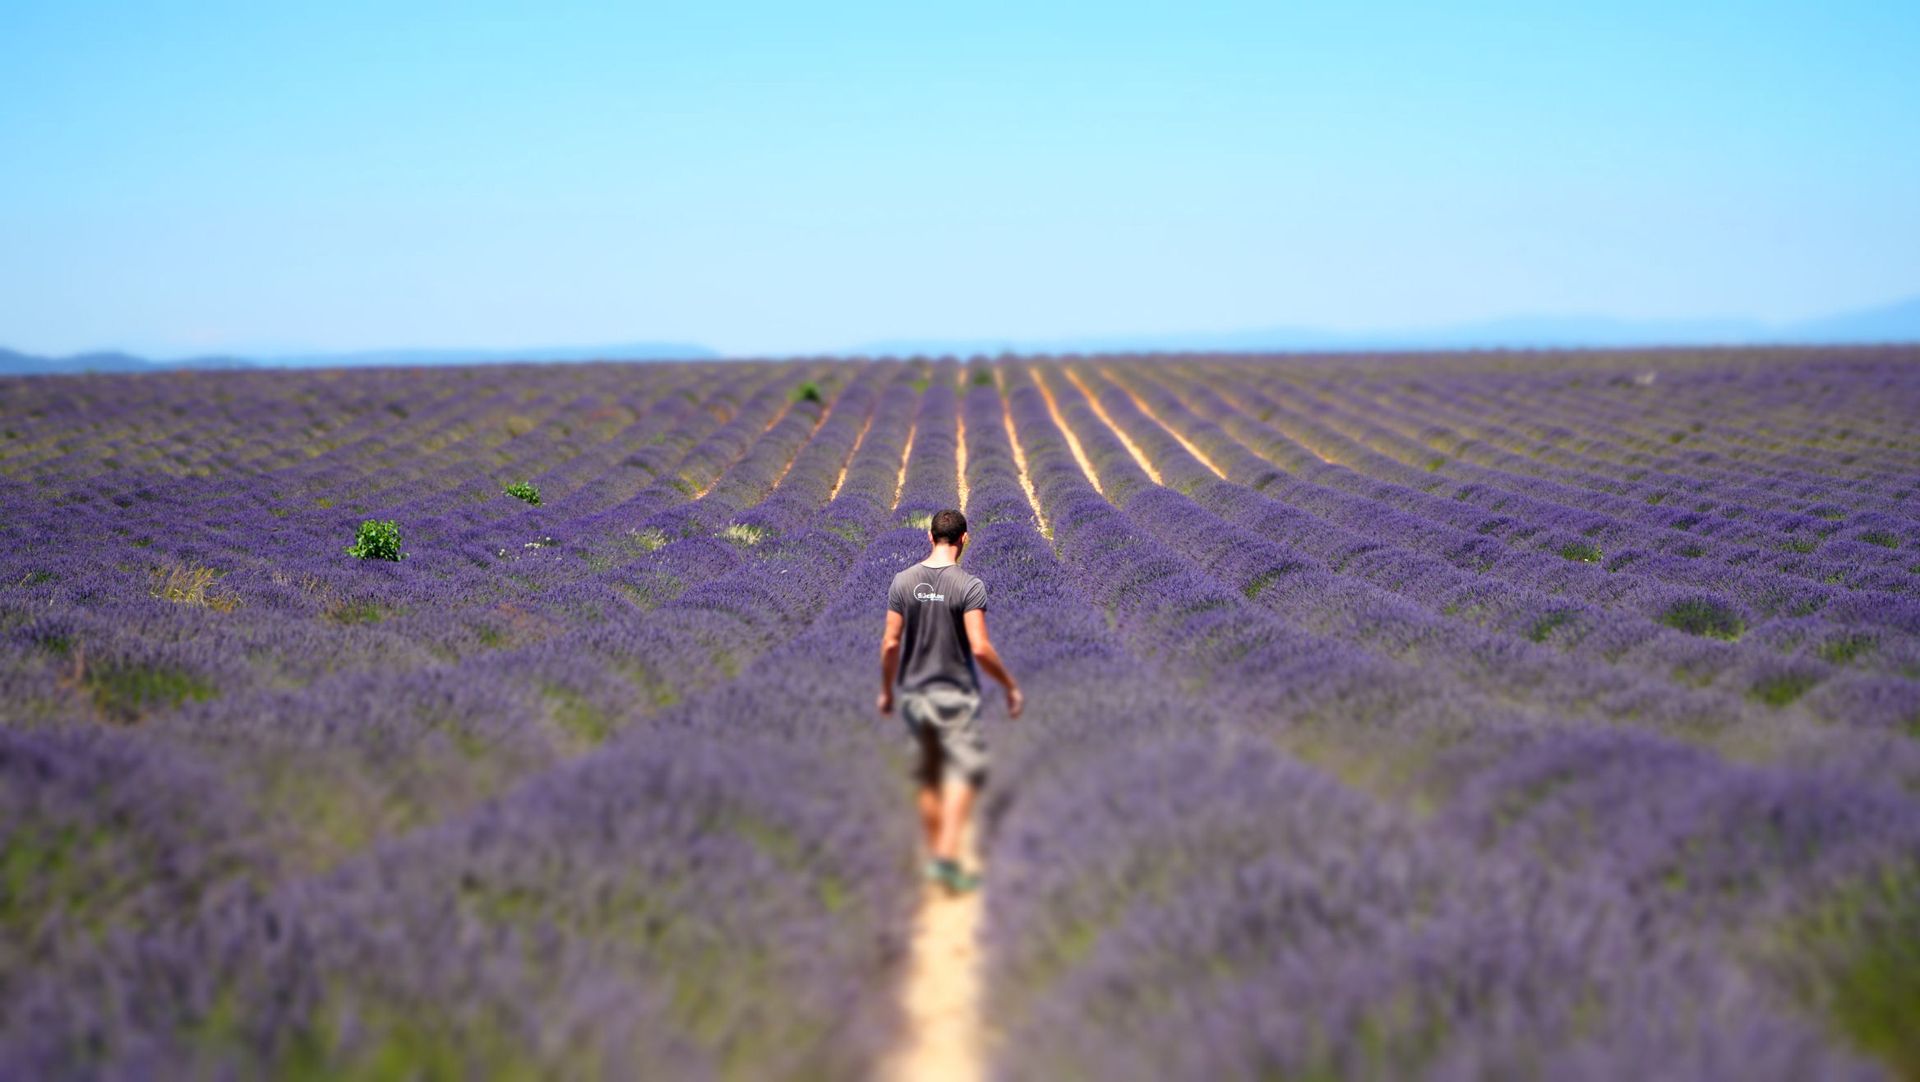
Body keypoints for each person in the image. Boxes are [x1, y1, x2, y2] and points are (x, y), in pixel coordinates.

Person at [878, 508, 1023, 895]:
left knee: (928, 774)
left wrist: (887, 689)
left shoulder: (903, 581)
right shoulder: (969, 585)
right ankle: (944, 857)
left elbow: (891, 642)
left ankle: (935, 856)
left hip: (913, 689)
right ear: (964, 539)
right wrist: (1009, 684)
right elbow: (979, 647)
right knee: (967, 774)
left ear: (930, 537)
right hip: (954, 690)